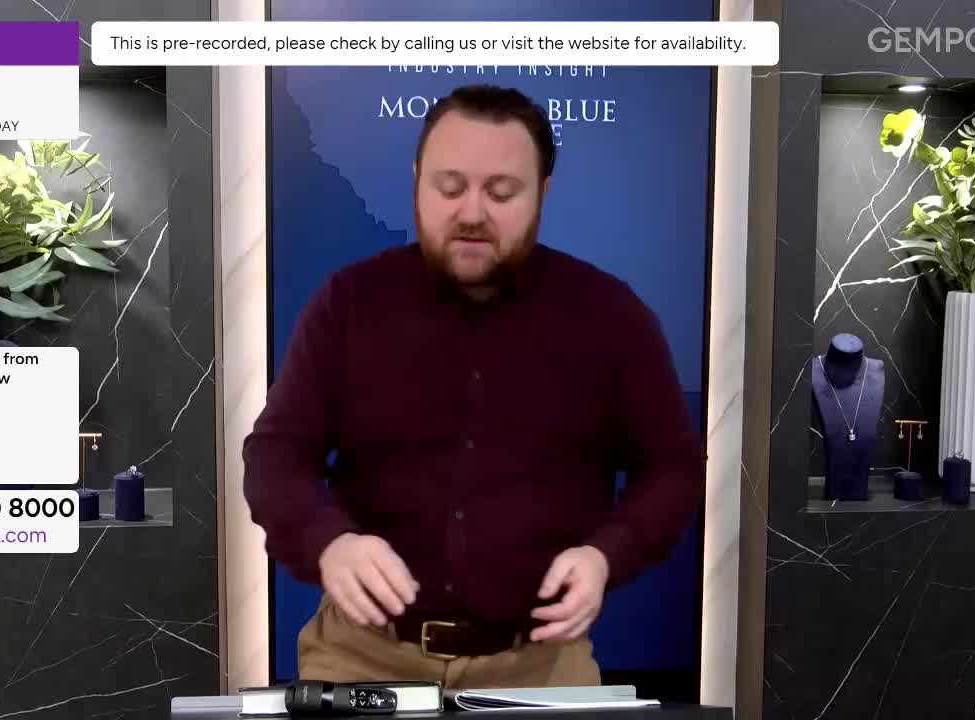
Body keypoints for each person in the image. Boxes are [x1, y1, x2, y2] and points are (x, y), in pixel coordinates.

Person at [243, 84, 704, 690]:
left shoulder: (611, 316)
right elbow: (275, 454)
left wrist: (605, 554)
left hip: (540, 666)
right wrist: (328, 543)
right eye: (449, 186)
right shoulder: (348, 304)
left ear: (543, 191)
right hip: (362, 658)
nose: (471, 212)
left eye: (501, 191)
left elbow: (673, 466)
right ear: (416, 181)